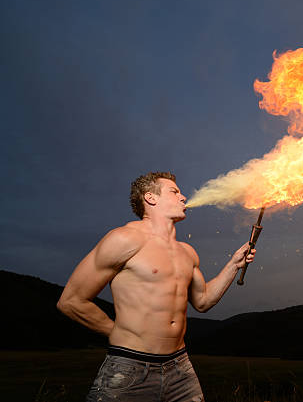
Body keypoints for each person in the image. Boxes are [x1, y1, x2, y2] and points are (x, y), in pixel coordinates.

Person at [57, 172, 255, 401]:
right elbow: (71, 301)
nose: (183, 198)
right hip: (130, 366)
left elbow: (204, 302)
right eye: (174, 192)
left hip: (181, 367)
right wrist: (117, 332)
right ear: (151, 198)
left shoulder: (187, 252)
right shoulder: (124, 239)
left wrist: (233, 265)